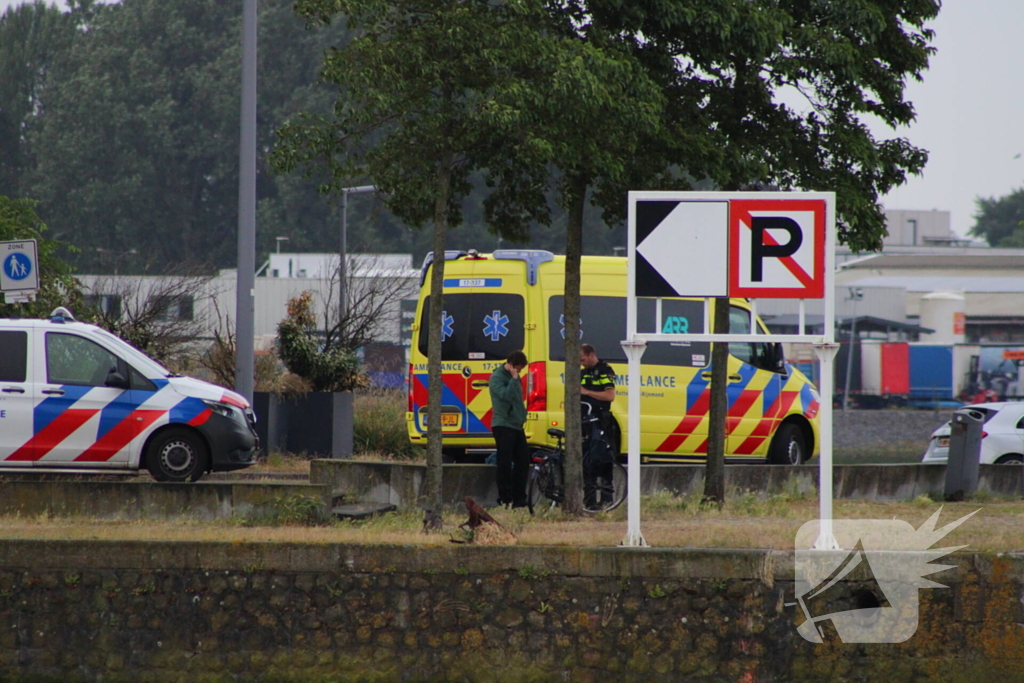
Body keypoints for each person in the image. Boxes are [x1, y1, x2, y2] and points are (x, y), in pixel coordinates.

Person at [488, 350, 530, 508]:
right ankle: (505, 497)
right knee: (504, 462)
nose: (519, 372)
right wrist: (513, 379)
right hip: (503, 424)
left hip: (516, 424)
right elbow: (506, 396)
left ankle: (519, 497)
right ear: (512, 365)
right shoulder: (497, 378)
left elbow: (518, 398)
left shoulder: (515, 377)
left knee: (523, 461)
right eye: (518, 369)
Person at [580, 343, 616, 510]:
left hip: (600, 421)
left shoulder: (604, 370)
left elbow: (610, 396)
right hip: (585, 421)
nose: (581, 363)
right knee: (586, 462)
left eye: (582, 359)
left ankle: (607, 501)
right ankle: (590, 502)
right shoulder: (583, 372)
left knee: (602, 459)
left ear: (591, 355)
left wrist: (587, 392)